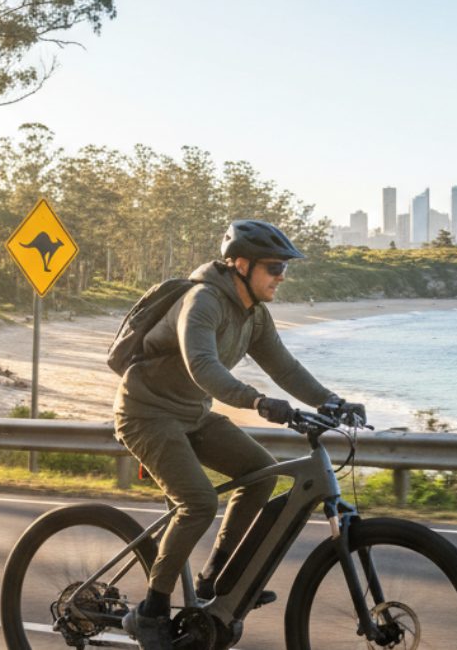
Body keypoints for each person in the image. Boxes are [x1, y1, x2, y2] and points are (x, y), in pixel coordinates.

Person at [117, 220, 365, 650]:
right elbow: (202, 366)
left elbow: (285, 368)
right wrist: (256, 401)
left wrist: (332, 402)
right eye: (274, 267)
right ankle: (151, 611)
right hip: (147, 415)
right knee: (198, 502)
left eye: (284, 268)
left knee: (261, 473)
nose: (282, 277)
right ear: (242, 264)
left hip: (193, 414)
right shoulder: (203, 302)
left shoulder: (253, 315)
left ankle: (216, 576)